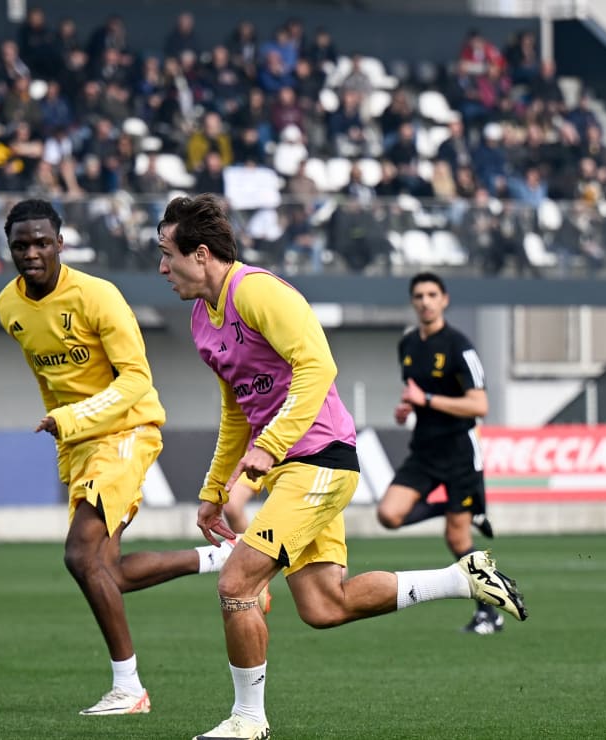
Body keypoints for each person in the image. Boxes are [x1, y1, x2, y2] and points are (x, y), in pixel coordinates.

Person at [156, 194, 527, 740]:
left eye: (167, 254)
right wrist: (216, 486)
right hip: (291, 465)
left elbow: (318, 364)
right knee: (325, 605)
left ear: (202, 254)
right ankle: (463, 578)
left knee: (235, 581)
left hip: (320, 458)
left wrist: (269, 446)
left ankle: (248, 721)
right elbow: (236, 406)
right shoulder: (200, 320)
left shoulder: (254, 290)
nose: (162, 267)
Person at [0, 198, 238, 716]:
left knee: (79, 555)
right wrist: (64, 431)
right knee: (109, 572)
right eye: (21, 245)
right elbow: (49, 379)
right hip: (79, 445)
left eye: (42, 243)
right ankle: (224, 558)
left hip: (127, 430)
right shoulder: (8, 307)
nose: (32, 253)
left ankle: (129, 689)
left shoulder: (98, 297)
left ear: (61, 244)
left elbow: (136, 381)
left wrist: (72, 420)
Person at [377, 272, 504, 634]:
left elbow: (480, 404)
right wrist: (409, 410)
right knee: (389, 515)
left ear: (444, 299)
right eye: (419, 295)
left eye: (432, 294)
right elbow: (416, 396)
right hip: (424, 451)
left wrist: (427, 400)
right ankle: (464, 511)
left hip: (460, 452)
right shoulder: (408, 346)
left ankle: (490, 613)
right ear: (413, 301)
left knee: (457, 540)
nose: (425, 301)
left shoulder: (459, 346)